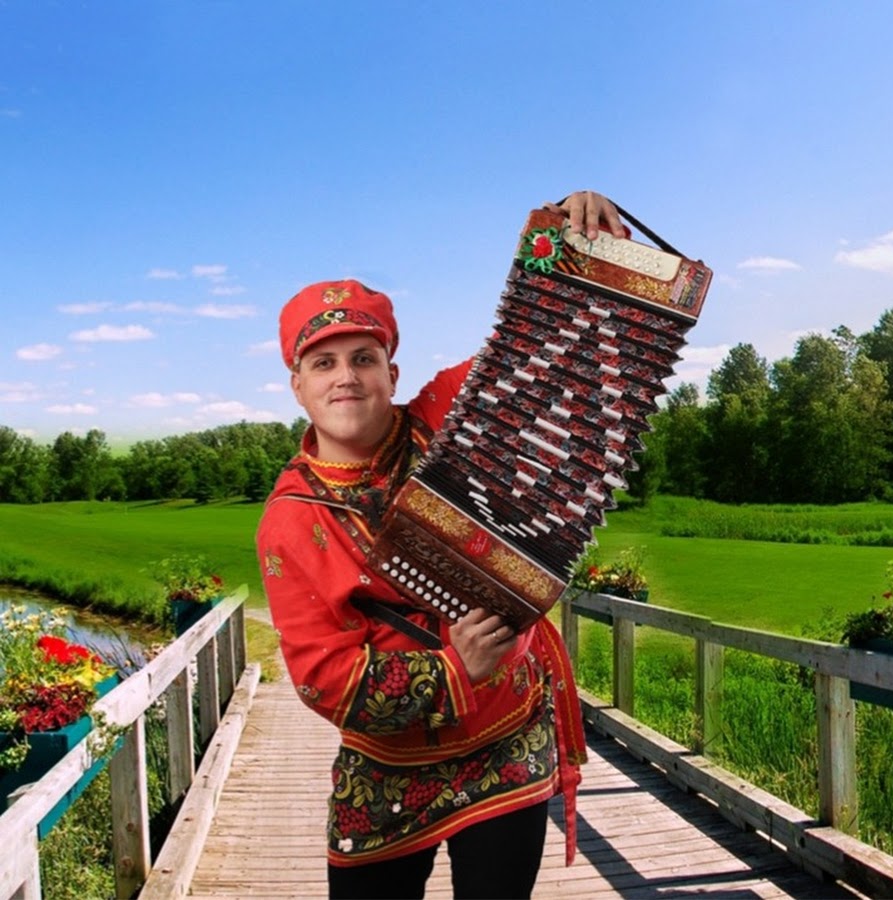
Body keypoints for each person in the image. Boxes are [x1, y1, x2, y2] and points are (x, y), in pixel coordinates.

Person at [256, 192, 625, 900]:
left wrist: (568, 226)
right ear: (298, 386)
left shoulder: (449, 415)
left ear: (391, 374)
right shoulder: (289, 520)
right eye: (323, 363)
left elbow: (541, 341)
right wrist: (455, 669)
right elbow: (322, 678)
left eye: (363, 357)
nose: (346, 376)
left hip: (508, 738)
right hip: (388, 767)